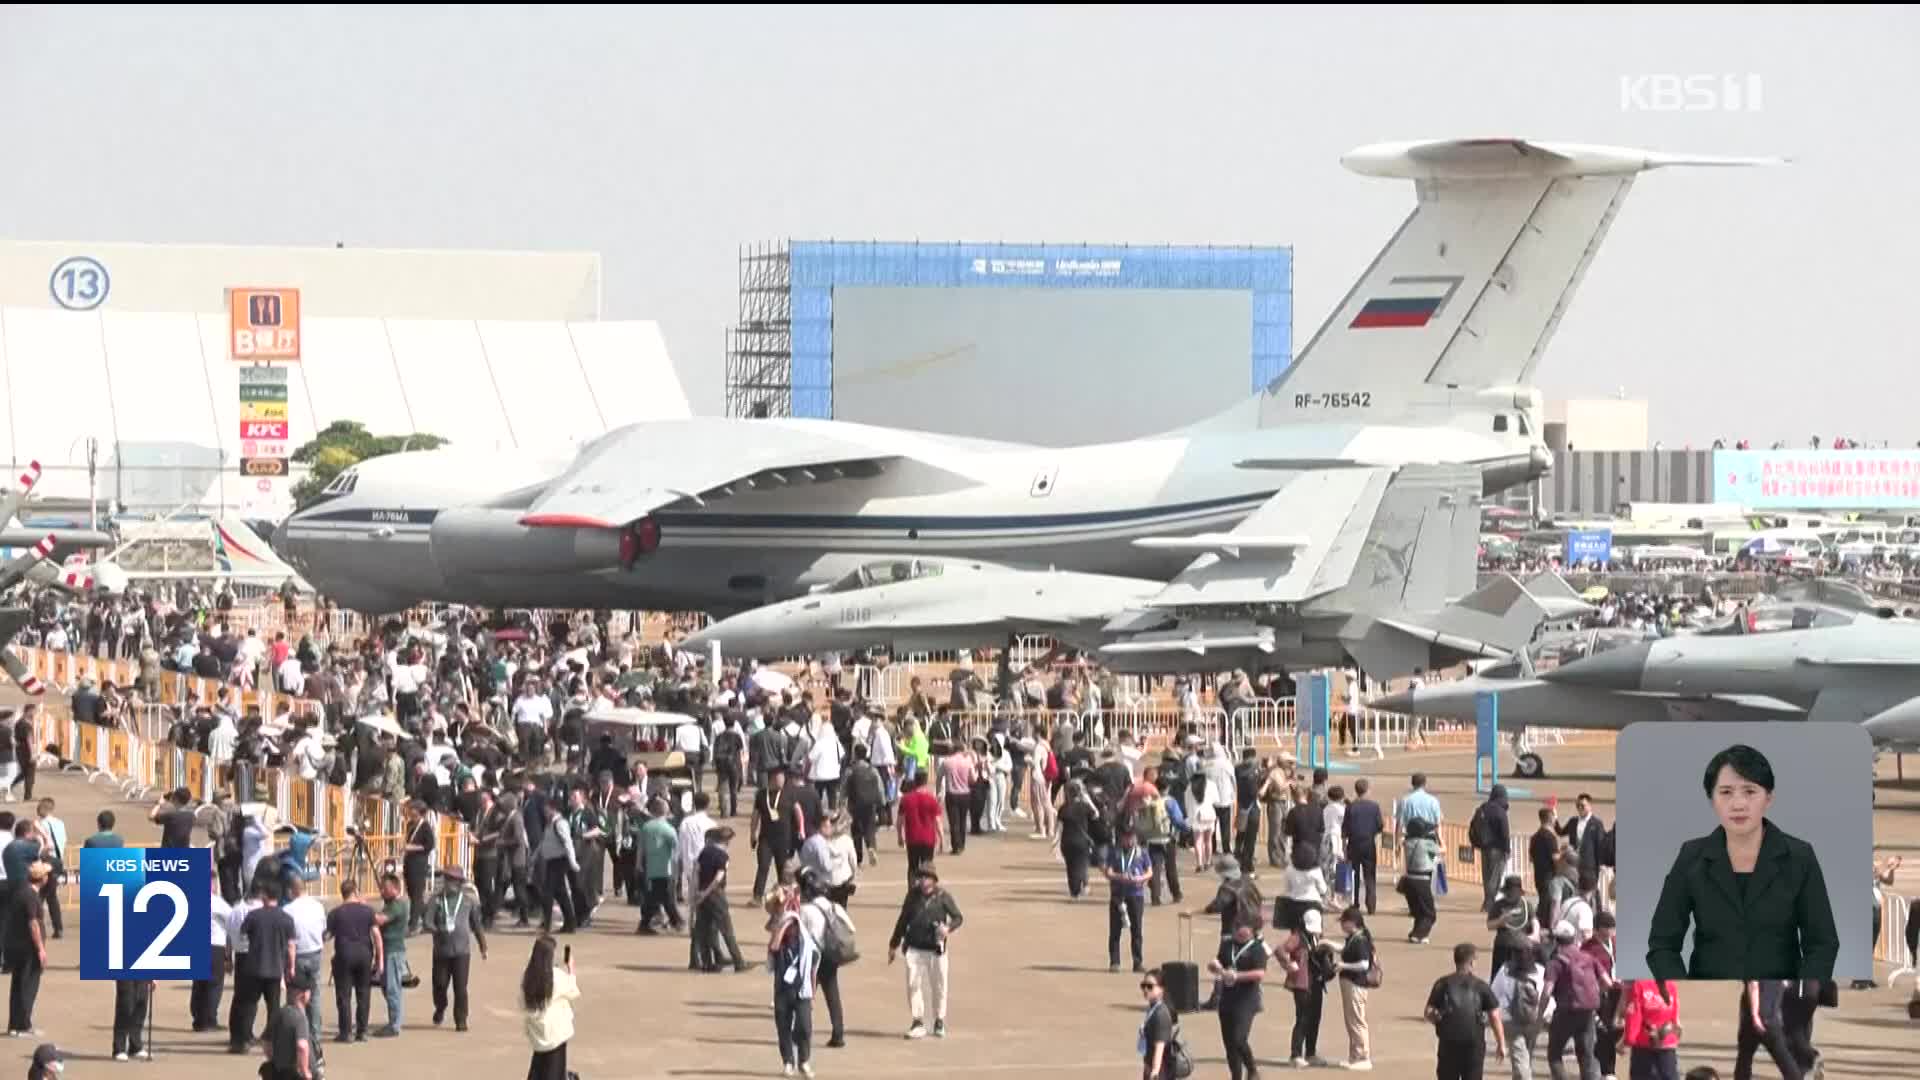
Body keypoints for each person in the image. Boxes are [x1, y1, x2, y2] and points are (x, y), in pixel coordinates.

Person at [1645, 745, 1840, 981]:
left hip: (1782, 1003)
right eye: (1726, 792)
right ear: (1711, 799)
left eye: (1750, 791)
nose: (1738, 804)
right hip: (1709, 1002)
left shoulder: (1799, 857)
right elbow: (1662, 944)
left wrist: (1801, 999)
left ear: (1769, 798)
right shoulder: (1691, 858)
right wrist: (1688, 996)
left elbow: (1822, 943)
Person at [888, 861, 963, 1040]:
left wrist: (948, 928)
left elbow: (958, 917)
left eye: (925, 877)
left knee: (939, 986)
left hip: (936, 950)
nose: (921, 880)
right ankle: (917, 1022)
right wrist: (893, 944)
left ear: (933, 880)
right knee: (913, 986)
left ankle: (939, 1020)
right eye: (920, 877)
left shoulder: (943, 896)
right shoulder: (912, 896)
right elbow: (902, 920)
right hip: (914, 948)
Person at [1425, 942, 1506, 1080]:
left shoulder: (1442, 983)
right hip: (1474, 1044)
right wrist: (1501, 1043)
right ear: (1472, 962)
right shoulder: (1481, 986)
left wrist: (1441, 1021)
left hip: (1448, 1043)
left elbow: (1428, 1012)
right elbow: (1494, 1015)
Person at [768, 884, 822, 1077]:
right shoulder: (779, 946)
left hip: (802, 992)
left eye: (793, 926)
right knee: (783, 1028)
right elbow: (773, 946)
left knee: (805, 1028)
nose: (791, 930)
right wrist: (782, 926)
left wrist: (813, 993)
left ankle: (804, 1061)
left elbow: (813, 971)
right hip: (782, 991)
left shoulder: (807, 948)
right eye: (788, 927)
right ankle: (788, 1062)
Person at [1209, 918, 1268, 1080]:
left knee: (1239, 1038)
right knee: (1229, 1044)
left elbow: (1259, 973)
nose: (1240, 931)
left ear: (1251, 930)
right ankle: (1236, 1076)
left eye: (1244, 927)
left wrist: (1237, 976)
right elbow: (1218, 962)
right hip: (1227, 999)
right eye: (1237, 927)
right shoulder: (1227, 945)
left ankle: (1252, 1069)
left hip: (1247, 1000)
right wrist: (1215, 966)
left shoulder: (1257, 949)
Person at [325, 879, 382, 1043]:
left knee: (344, 995)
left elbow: (328, 936)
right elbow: (377, 936)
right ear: (356, 891)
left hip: (344, 955)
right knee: (363, 993)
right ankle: (362, 1031)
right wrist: (379, 959)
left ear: (342, 893)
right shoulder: (368, 911)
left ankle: (346, 1032)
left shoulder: (335, 913)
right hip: (365, 954)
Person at [521, 934, 581, 1080]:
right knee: (554, 1072)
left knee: (538, 1069)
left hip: (537, 1036)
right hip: (556, 1035)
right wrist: (571, 970)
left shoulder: (528, 977)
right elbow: (573, 991)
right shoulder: (556, 977)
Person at [1280, 907, 1330, 1067]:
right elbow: (1280, 950)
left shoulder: (1317, 937)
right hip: (1301, 984)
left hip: (1316, 982)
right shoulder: (1297, 937)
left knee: (1315, 1018)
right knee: (1303, 1018)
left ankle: (1310, 1053)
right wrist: (1288, 964)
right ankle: (1295, 1055)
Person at [1331, 905, 1376, 1070]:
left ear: (1352, 922)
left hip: (1356, 985)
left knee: (1357, 1021)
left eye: (1344, 922)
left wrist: (1344, 965)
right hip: (1349, 984)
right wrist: (1328, 943)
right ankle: (1355, 1056)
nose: (1342, 925)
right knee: (1351, 1021)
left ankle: (1363, 1057)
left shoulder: (1361, 940)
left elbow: (1364, 964)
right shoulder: (1353, 938)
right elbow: (1345, 950)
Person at [4, 861, 45, 1038]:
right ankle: (22, 1024)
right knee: (27, 986)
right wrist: (41, 948)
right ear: (42, 878)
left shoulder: (22, 892)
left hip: (18, 946)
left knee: (18, 985)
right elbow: (33, 923)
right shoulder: (30, 896)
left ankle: (15, 1024)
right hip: (28, 948)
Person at [1105, 823, 1152, 973]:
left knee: (1137, 930)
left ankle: (1137, 962)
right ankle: (1115, 962)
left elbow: (1149, 871)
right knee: (1115, 930)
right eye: (1127, 838)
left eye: (1132, 837)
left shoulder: (1141, 852)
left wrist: (1140, 878)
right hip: (1118, 894)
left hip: (1136, 894)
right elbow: (1108, 872)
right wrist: (1120, 876)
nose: (1130, 841)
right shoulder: (1115, 852)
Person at [1617, 979, 1682, 1080]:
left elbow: (1634, 1016)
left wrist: (1627, 1041)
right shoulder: (1670, 984)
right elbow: (1675, 1014)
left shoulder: (1639, 985)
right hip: (1667, 1042)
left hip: (1644, 1044)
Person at [372, 873, 409, 1038]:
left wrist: (362, 909)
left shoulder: (397, 905)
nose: (382, 891)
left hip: (393, 951)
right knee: (386, 986)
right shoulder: (390, 904)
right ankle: (394, 1020)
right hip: (387, 951)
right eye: (381, 888)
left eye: (385, 888)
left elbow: (380, 920)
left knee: (392, 988)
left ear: (395, 888)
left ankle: (394, 1025)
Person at [263, 974, 316, 1080]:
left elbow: (266, 1043)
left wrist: (275, 1060)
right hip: (296, 1074)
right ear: (303, 994)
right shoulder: (300, 1018)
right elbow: (302, 1046)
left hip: (279, 1071)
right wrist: (305, 1072)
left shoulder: (278, 1013)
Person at [1138, 967, 1182, 1080]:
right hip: (1151, 1065)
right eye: (1143, 986)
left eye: (1150, 986)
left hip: (1160, 1070)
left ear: (1161, 988)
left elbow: (1160, 1046)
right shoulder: (1153, 1008)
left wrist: (1155, 1071)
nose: (1146, 990)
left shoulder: (1160, 1014)